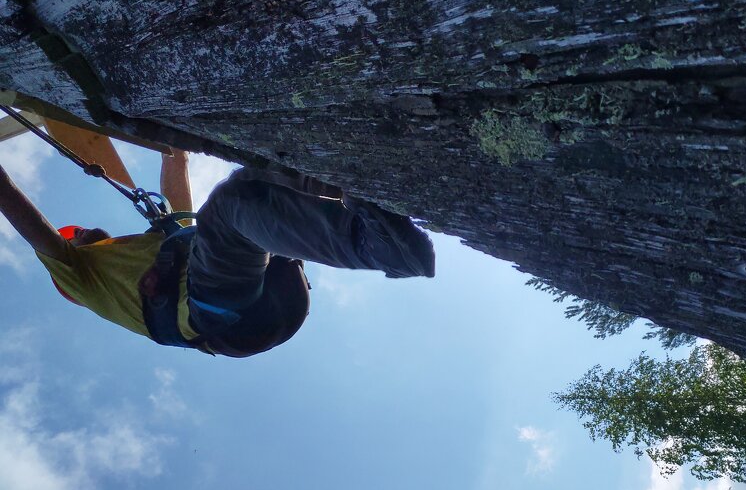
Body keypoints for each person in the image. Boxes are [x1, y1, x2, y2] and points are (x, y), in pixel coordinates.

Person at [0, 151, 435, 357]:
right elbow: (25, 218)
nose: (78, 234)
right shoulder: (82, 275)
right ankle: (378, 245)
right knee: (231, 206)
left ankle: (352, 187)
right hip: (213, 309)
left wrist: (173, 143)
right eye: (73, 237)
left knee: (251, 179)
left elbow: (176, 181)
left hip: (240, 299)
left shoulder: (160, 246)